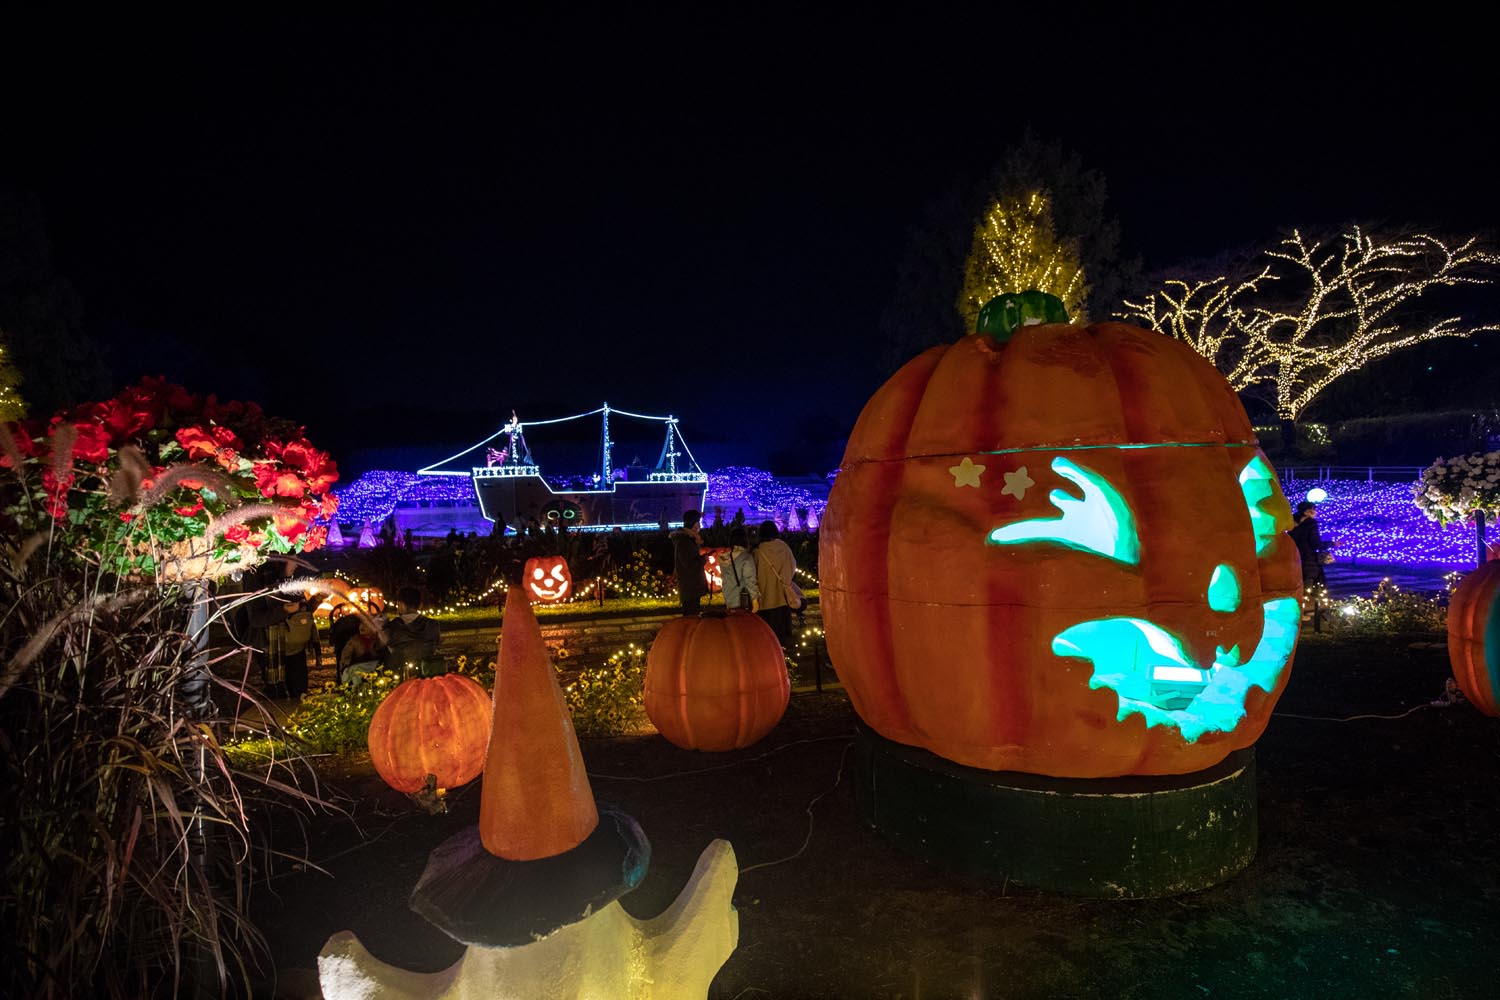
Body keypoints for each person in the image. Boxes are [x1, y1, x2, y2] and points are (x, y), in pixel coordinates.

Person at [380, 585, 443, 676]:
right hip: (428, 672)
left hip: (400, 673)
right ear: (420, 605)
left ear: (400, 605)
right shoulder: (433, 625)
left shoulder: (393, 627)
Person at [753, 519, 798, 645]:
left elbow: (753, 573)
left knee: (766, 636)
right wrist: (786, 580)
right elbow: (792, 565)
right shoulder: (784, 547)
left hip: (765, 598)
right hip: (782, 597)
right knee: (781, 635)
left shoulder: (758, 551)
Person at [1287, 500, 1329, 603]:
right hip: (1307, 557)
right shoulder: (1311, 523)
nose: (1314, 512)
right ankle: (1304, 609)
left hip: (1292, 554)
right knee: (1309, 582)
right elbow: (1315, 542)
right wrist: (1330, 544)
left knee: (1295, 582)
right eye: (1312, 510)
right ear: (1306, 511)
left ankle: (1298, 607)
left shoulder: (1291, 521)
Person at [671, 509, 709, 615]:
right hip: (690, 586)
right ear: (694, 523)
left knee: (692, 614)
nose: (699, 527)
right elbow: (689, 564)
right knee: (691, 616)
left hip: (691, 586)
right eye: (698, 523)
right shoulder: (684, 541)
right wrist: (703, 559)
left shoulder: (688, 539)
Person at [720, 526, 760, 614]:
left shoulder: (724, 558)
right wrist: (755, 600)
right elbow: (750, 579)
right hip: (742, 600)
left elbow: (724, 578)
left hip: (729, 599)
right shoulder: (746, 557)